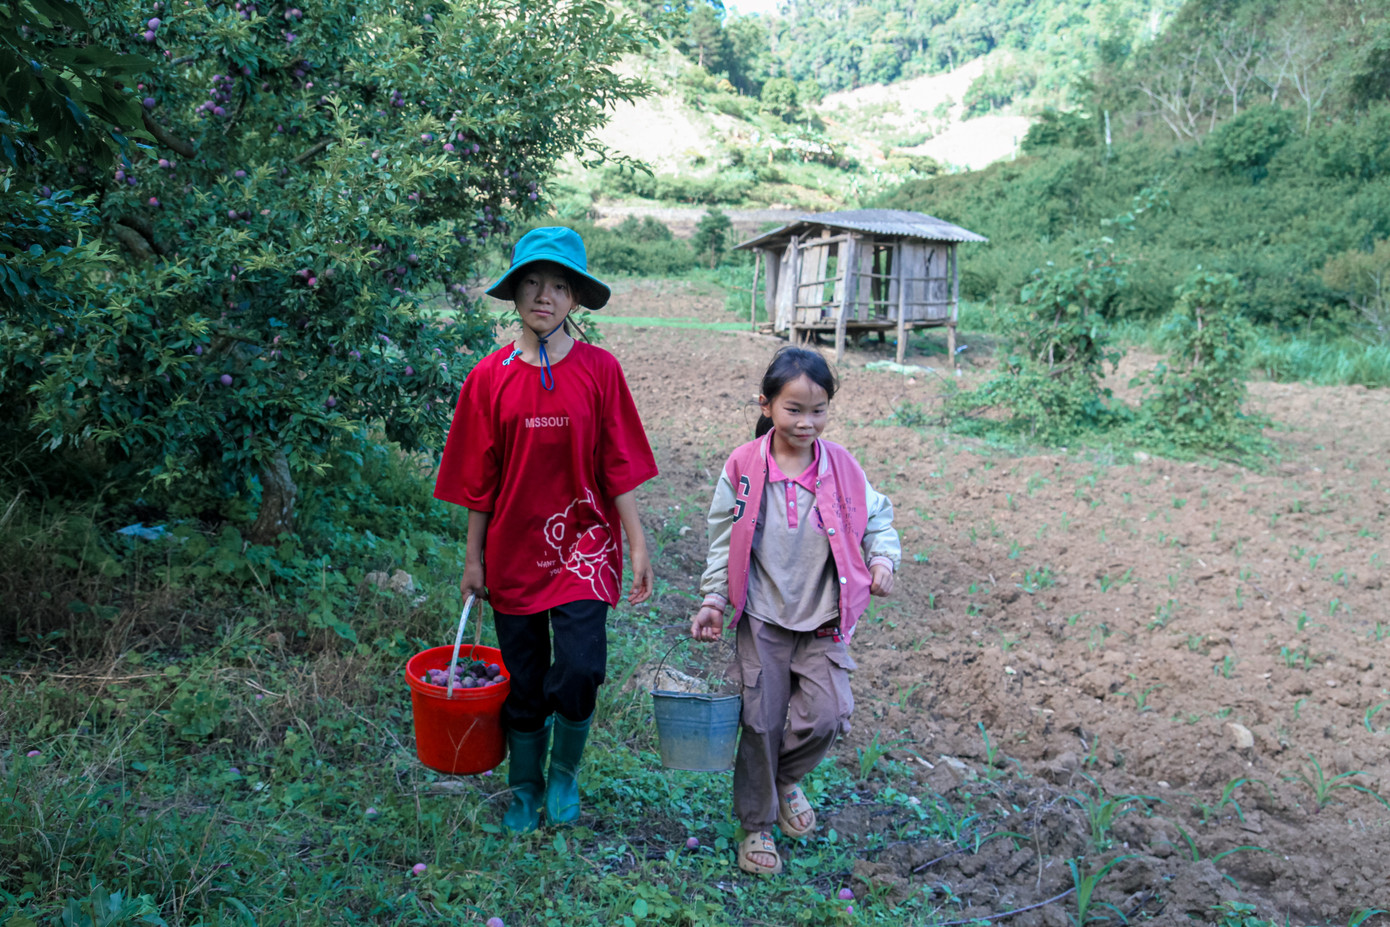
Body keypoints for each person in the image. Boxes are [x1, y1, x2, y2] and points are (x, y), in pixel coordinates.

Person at [434, 226, 658, 834]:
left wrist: (636, 544)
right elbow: (478, 481)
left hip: (584, 546)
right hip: (513, 550)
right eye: (532, 281)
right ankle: (526, 788)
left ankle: (565, 773)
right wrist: (473, 559)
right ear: (515, 291)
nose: (544, 295)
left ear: (575, 298)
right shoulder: (489, 377)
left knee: (582, 666)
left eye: (559, 285)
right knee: (524, 678)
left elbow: (619, 464)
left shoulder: (600, 370)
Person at [690, 346, 900, 875]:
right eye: (794, 409)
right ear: (766, 405)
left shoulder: (843, 467)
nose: (807, 422)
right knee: (760, 722)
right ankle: (756, 825)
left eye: (819, 409)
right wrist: (715, 597)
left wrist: (883, 559)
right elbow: (722, 538)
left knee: (828, 715)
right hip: (762, 616)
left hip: (824, 618)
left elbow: (878, 518)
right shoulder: (742, 465)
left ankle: (785, 780)